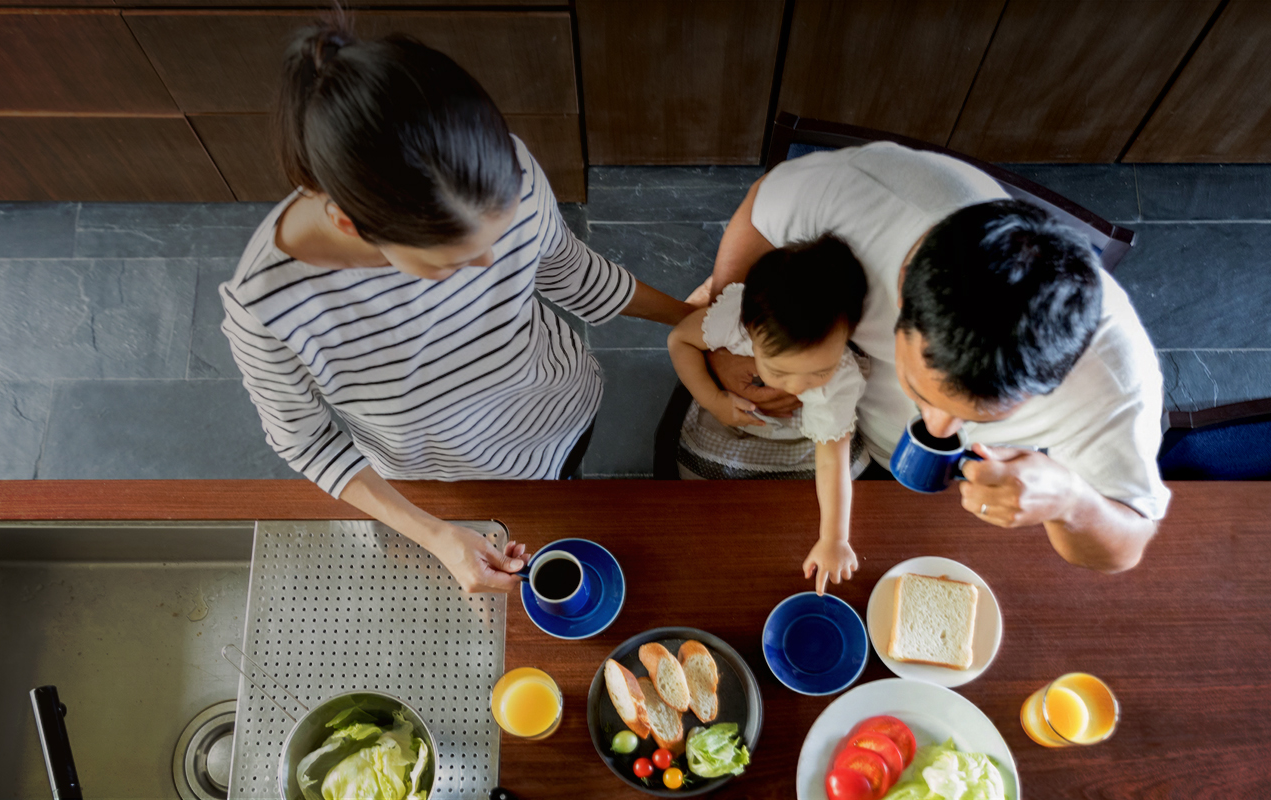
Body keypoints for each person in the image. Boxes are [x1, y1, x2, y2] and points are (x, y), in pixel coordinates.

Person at [220, 25, 691, 592]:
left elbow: (565, 268)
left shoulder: (505, 166)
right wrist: (436, 534)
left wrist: (693, 320)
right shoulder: (267, 307)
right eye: (452, 260)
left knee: (564, 494)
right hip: (438, 472)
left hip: (557, 416)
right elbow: (306, 441)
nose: (493, 261)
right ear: (352, 224)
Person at [702, 143, 1169, 573]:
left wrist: (1072, 503)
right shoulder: (865, 198)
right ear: (903, 287)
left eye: (977, 418)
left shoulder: (1116, 383)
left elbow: (1129, 544)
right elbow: (762, 207)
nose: (939, 431)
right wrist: (727, 345)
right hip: (846, 427)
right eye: (921, 392)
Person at [667, 236, 869, 594]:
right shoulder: (733, 321)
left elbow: (831, 463)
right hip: (732, 410)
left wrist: (834, 538)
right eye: (780, 371)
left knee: (813, 496)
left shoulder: (842, 379)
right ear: (750, 331)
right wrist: (714, 400)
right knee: (702, 491)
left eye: (819, 372)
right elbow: (679, 341)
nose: (798, 388)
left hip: (804, 434)